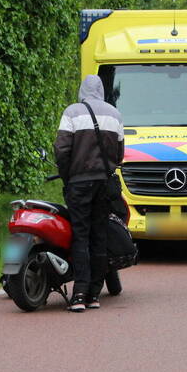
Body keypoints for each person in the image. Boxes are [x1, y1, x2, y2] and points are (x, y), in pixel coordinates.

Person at [54, 74, 124, 312]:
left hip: (79, 183)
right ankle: (94, 294)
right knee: (99, 236)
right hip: (104, 183)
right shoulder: (115, 114)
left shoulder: (72, 112)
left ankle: (79, 294)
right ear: (102, 90)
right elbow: (120, 154)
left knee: (80, 235)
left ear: (82, 90)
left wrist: (68, 176)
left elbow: (61, 149)